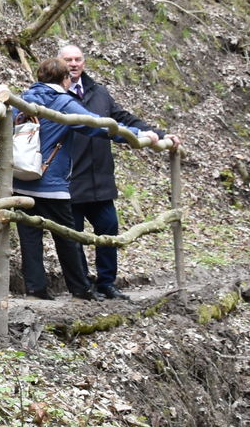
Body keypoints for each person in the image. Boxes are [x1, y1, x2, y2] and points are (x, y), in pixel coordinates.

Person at [58, 43, 172, 300]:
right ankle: (82, 284)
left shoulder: (99, 93)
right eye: (68, 60)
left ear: (84, 63)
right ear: (60, 63)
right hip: (70, 178)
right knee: (73, 237)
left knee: (108, 230)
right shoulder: (56, 95)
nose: (73, 64)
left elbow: (125, 119)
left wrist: (159, 135)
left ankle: (106, 282)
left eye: (77, 59)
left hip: (100, 179)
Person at [14, 54, 112, 300]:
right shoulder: (63, 101)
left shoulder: (22, 99)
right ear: (65, 80)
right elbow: (95, 125)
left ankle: (36, 288)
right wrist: (130, 134)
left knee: (29, 237)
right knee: (67, 237)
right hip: (51, 182)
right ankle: (79, 287)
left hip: (20, 178)